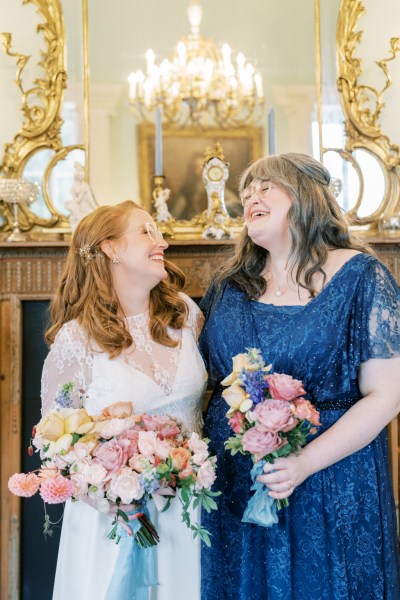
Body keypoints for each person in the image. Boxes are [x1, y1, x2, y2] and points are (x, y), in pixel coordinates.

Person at [199, 153, 400, 599]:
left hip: (330, 480)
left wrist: (305, 462)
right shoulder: (230, 284)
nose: (251, 196)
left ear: (305, 195)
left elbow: (386, 396)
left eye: (265, 186)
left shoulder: (360, 277)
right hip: (235, 483)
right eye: (246, 191)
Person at [41, 200, 207, 600]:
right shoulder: (76, 341)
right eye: (146, 231)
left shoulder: (185, 315)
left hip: (190, 511)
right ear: (110, 249)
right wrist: (109, 494)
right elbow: (54, 446)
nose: (162, 242)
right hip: (112, 523)